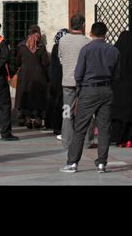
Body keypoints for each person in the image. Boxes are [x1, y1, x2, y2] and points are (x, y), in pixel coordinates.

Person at [60, 21, 120, 174]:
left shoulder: (86, 50)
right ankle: (102, 163)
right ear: (105, 34)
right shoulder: (113, 51)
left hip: (88, 90)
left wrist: (80, 87)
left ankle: (73, 162)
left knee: (80, 127)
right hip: (106, 89)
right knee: (104, 128)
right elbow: (117, 74)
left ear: (92, 33)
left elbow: (78, 73)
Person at [58, 13, 91, 151]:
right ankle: (87, 141)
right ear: (83, 25)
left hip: (67, 81)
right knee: (87, 111)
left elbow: (60, 59)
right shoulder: (87, 41)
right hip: (83, 81)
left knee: (67, 112)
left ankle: (66, 141)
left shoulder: (63, 40)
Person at [15, 28, 49, 129]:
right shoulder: (41, 47)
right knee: (38, 96)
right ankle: (38, 119)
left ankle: (27, 118)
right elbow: (46, 63)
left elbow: (17, 62)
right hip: (39, 75)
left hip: (24, 75)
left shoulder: (21, 46)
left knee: (26, 95)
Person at [46, 28, 68, 139]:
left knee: (56, 104)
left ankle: (56, 126)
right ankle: (63, 127)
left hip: (55, 79)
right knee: (64, 105)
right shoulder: (64, 48)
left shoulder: (55, 47)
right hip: (63, 79)